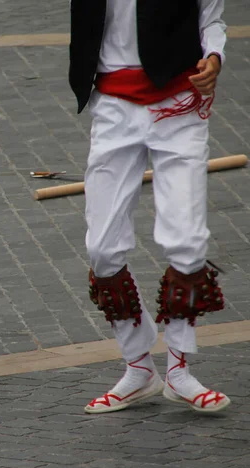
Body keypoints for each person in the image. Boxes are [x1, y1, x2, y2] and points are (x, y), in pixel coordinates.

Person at [68, 0, 230, 413]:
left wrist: (214, 56)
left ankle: (178, 371)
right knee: (102, 249)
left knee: (187, 240)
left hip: (179, 105)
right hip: (113, 106)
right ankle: (139, 368)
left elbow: (210, 18)